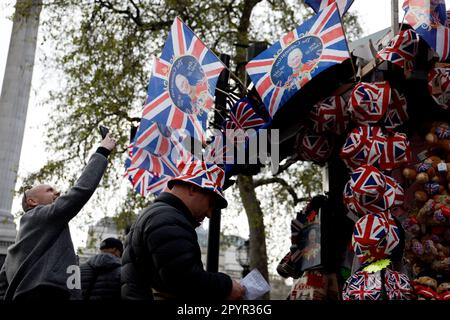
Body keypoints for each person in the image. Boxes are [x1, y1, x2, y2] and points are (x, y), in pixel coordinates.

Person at [0, 133, 116, 301]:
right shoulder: (40, 216)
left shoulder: (21, 243)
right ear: (32, 201)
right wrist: (102, 152)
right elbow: (80, 191)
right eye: (49, 190)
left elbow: (3, 285)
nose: (58, 193)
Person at [121, 163, 246, 300]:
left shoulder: (159, 215)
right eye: (210, 203)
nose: (210, 214)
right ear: (193, 188)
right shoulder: (168, 220)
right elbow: (185, 280)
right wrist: (227, 286)